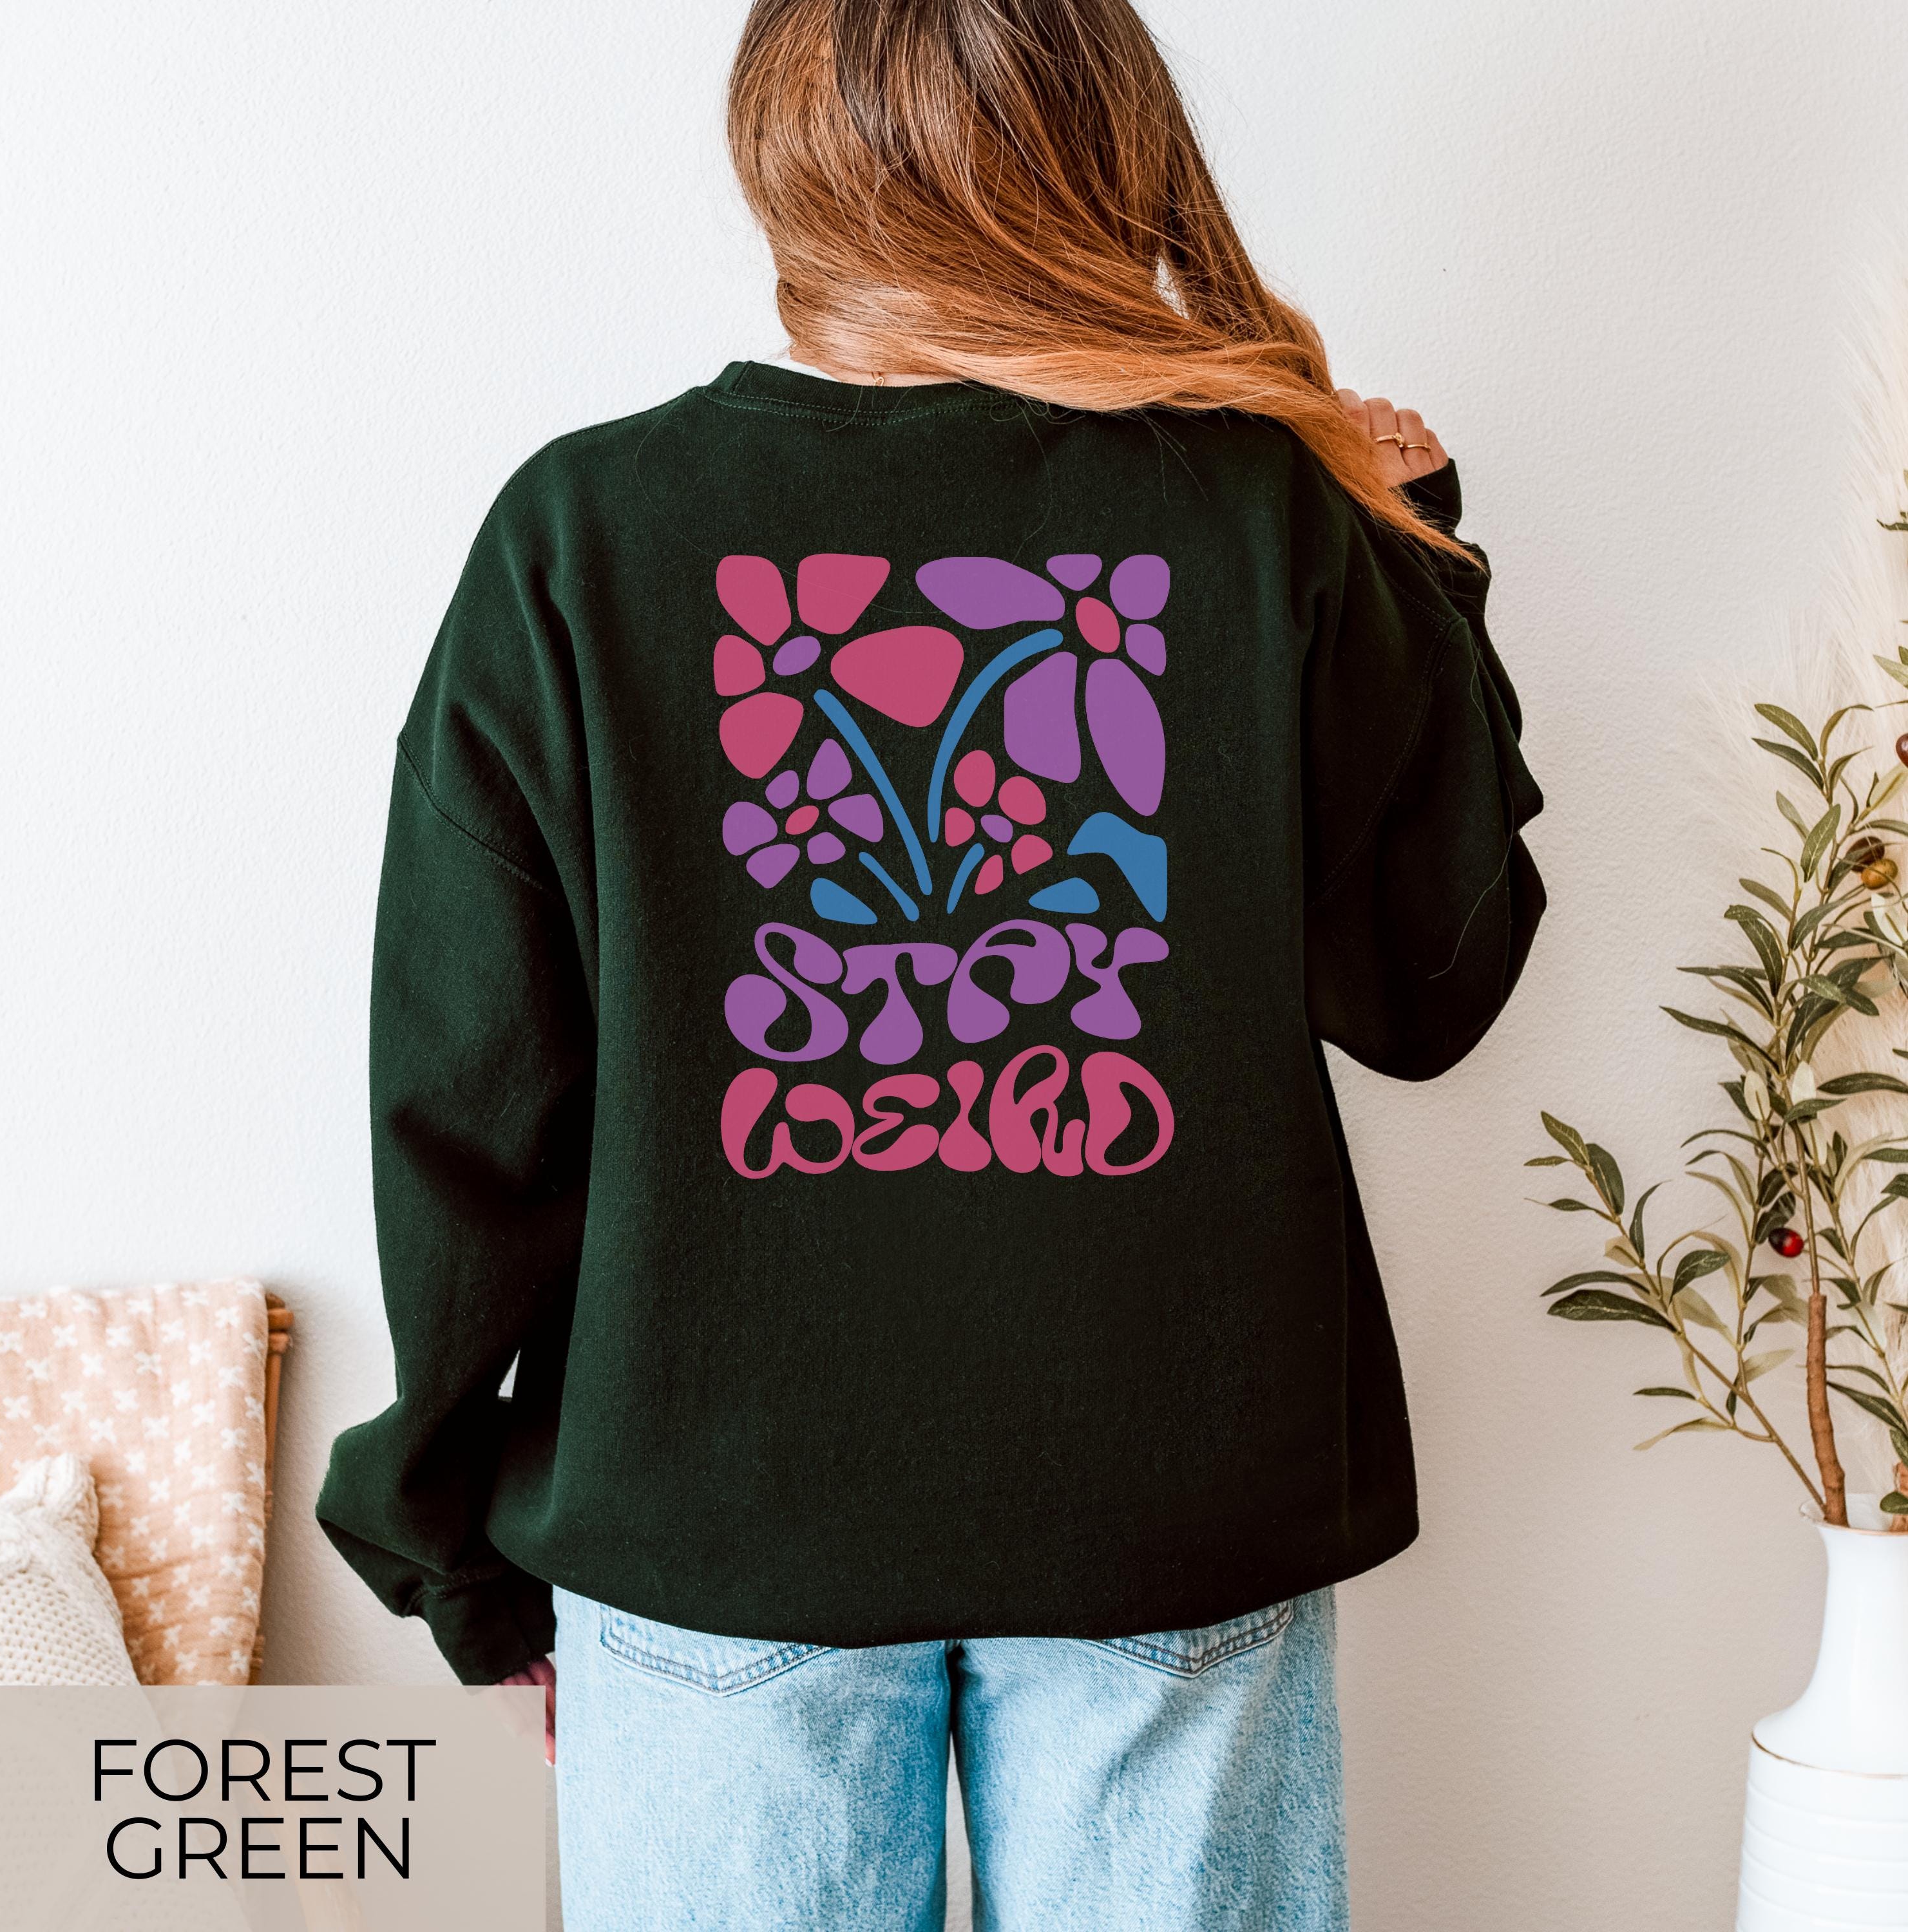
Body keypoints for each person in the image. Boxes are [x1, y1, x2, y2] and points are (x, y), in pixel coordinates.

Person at [316, 0, 1544, 1925]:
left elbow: (470, 1096)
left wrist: (448, 1540)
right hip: (1168, 1524)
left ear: (784, 158)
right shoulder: (1264, 516)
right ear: (1108, 153)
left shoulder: (584, 534)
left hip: (708, 1531)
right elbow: (1429, 980)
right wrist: (1417, 557)